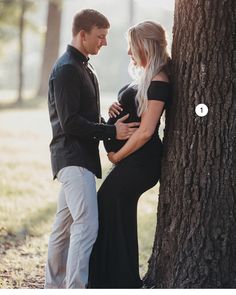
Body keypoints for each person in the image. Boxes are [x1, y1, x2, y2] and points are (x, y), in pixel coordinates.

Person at [45, 9, 139, 289]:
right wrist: (112, 131)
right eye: (101, 36)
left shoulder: (84, 66)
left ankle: (53, 288)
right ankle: (75, 288)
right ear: (82, 34)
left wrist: (106, 117)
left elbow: (82, 115)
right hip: (73, 160)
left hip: (79, 159)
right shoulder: (66, 70)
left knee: (63, 229)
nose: (105, 43)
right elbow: (71, 123)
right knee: (86, 228)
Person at [89, 20, 172, 288]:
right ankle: (116, 280)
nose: (128, 53)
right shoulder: (147, 75)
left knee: (107, 203)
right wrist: (117, 106)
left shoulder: (159, 80)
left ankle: (116, 281)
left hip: (141, 162)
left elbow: (146, 131)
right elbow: (136, 110)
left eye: (131, 47)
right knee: (116, 209)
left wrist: (117, 156)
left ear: (145, 46)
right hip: (132, 159)